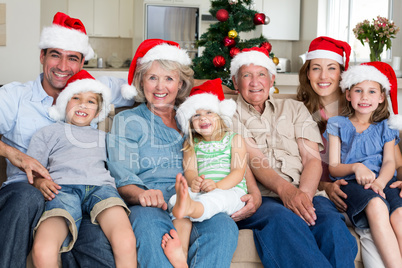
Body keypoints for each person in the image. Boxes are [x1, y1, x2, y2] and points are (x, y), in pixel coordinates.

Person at [0, 12, 132, 267]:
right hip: (25, 189)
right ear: (42, 56)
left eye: (72, 58)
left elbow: (147, 84)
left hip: (84, 191)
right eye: (55, 55)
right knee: (28, 199)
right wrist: (14, 155)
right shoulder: (14, 96)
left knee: (96, 246)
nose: (63, 66)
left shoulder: (94, 89)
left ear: (82, 62)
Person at [106, 39, 239, 267]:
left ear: (180, 84)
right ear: (141, 81)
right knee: (149, 228)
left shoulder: (192, 118)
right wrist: (140, 195)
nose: (160, 87)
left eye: (169, 78)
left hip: (196, 199)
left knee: (224, 227)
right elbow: (123, 177)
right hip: (151, 204)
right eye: (152, 78)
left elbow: (230, 148)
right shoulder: (127, 121)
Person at [229, 46, 358, 267]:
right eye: (246, 75)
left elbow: (312, 160)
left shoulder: (295, 108)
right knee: (284, 221)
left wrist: (304, 197)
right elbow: (255, 159)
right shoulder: (227, 112)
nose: (254, 82)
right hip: (263, 196)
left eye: (261, 74)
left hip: (306, 190)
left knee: (332, 226)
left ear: (272, 80)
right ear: (235, 82)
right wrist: (287, 193)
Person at [297, 36, 395, 268]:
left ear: (342, 74)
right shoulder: (297, 111)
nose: (323, 76)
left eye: (331, 68)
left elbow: (393, 161)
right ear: (307, 73)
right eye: (316, 68)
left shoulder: (364, 108)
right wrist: (326, 186)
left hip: (371, 185)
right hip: (329, 190)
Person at [27, 70, 137, 267]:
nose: (82, 104)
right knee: (43, 248)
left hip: (102, 189)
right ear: (64, 102)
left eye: (91, 101)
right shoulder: (47, 133)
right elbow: (32, 169)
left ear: (98, 110)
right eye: (75, 97)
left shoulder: (105, 137)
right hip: (62, 190)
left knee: (125, 239)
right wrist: (40, 181)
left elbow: (119, 167)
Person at [161, 78, 247, 267]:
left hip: (230, 191)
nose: (203, 118)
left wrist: (217, 186)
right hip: (202, 190)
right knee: (178, 202)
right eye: (196, 115)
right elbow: (190, 170)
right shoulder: (191, 144)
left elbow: (238, 172)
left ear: (221, 115)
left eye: (209, 112)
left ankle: (191, 208)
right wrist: (194, 183)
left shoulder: (235, 139)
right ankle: (180, 253)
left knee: (211, 201)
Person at [326, 61, 402, 267]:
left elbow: (389, 162)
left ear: (380, 97)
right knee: (376, 205)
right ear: (348, 95)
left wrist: (379, 182)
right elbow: (333, 166)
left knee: (400, 215)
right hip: (353, 184)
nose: (365, 97)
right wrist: (355, 167)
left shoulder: (387, 126)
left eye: (371, 91)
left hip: (383, 181)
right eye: (358, 90)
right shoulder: (337, 124)